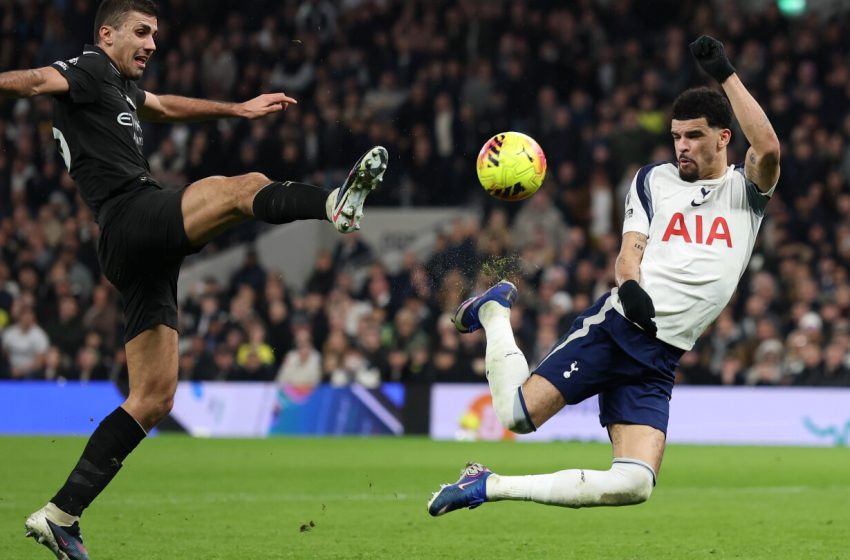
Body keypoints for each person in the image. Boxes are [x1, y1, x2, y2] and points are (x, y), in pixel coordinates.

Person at [0, 1, 388, 558]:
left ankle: (60, 515)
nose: (152, 43)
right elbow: (36, 82)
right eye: (141, 32)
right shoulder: (86, 68)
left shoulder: (121, 88)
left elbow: (163, 107)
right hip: (129, 216)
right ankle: (334, 203)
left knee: (153, 397)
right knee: (242, 187)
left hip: (131, 247)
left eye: (155, 33)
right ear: (106, 35)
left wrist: (236, 109)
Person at [428, 36, 780, 516]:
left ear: (723, 137)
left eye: (694, 136)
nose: (682, 146)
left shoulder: (745, 191)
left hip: (662, 356)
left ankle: (487, 485)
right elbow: (628, 252)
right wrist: (630, 287)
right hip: (619, 329)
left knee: (633, 484)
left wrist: (725, 74)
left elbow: (769, 145)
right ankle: (493, 311)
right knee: (515, 416)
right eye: (676, 136)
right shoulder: (653, 180)